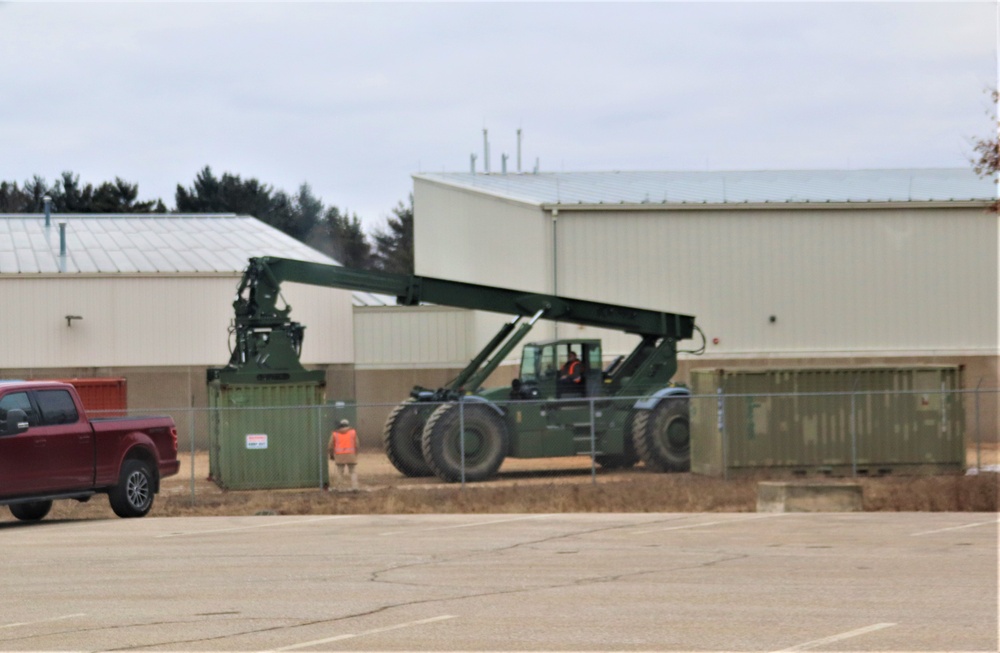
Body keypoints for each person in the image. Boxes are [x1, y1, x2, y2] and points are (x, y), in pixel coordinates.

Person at [328, 418, 359, 491]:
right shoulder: (353, 432)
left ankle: (339, 488)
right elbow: (357, 444)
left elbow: (330, 445)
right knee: (353, 472)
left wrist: (331, 455)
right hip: (351, 455)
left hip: (339, 456)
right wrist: (355, 453)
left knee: (340, 472)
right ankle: (355, 487)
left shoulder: (335, 433)